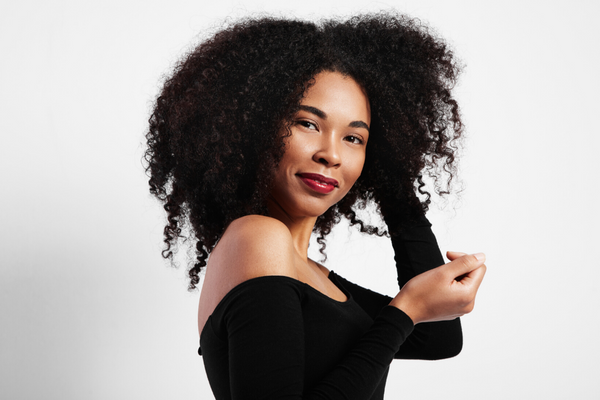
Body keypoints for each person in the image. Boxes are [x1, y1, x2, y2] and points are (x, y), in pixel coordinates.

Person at [145, 13, 486, 400]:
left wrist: (392, 177)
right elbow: (412, 317)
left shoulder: (306, 272)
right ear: (254, 126)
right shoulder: (258, 238)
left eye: (355, 138)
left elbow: (436, 337)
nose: (332, 154)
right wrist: (404, 309)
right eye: (308, 124)